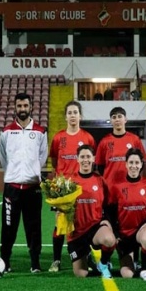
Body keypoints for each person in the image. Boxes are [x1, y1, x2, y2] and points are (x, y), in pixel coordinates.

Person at [0, 93, 48, 273]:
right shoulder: (6, 132)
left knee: (34, 227)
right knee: (8, 226)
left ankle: (35, 263)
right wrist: (13, 173)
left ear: (30, 107)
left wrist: (31, 172)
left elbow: (42, 157)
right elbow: (3, 158)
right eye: (19, 106)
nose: (22, 109)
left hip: (32, 188)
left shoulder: (41, 132)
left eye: (25, 106)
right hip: (11, 188)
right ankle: (5, 261)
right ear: (15, 107)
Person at [47, 100, 96, 273]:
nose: (73, 116)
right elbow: (54, 161)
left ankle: (86, 256)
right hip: (63, 189)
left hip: (81, 188)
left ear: (80, 116)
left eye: (76, 112)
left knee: (83, 223)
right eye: (70, 113)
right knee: (60, 223)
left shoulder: (87, 137)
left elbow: (90, 160)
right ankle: (56, 260)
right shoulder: (59, 138)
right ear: (66, 116)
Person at [107, 148, 146, 282]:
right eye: (131, 162)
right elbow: (111, 212)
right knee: (127, 274)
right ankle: (132, 261)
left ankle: (144, 269)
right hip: (125, 234)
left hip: (141, 230)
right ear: (126, 164)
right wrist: (116, 233)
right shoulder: (117, 186)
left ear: (141, 164)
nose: (134, 166)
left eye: (137, 163)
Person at [68, 145, 116, 279]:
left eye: (88, 156)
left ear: (93, 158)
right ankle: (87, 256)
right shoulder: (69, 182)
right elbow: (62, 208)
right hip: (76, 233)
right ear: (77, 159)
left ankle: (103, 263)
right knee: (81, 274)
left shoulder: (100, 180)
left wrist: (108, 222)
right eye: (82, 157)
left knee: (109, 239)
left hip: (94, 228)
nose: (85, 160)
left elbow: (108, 205)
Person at [96, 107, 146, 186]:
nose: (117, 120)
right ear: (111, 121)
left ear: (125, 119)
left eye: (120, 116)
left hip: (130, 185)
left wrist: (134, 177)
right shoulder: (104, 141)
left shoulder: (135, 139)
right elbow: (100, 166)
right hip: (110, 186)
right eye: (114, 117)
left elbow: (142, 161)